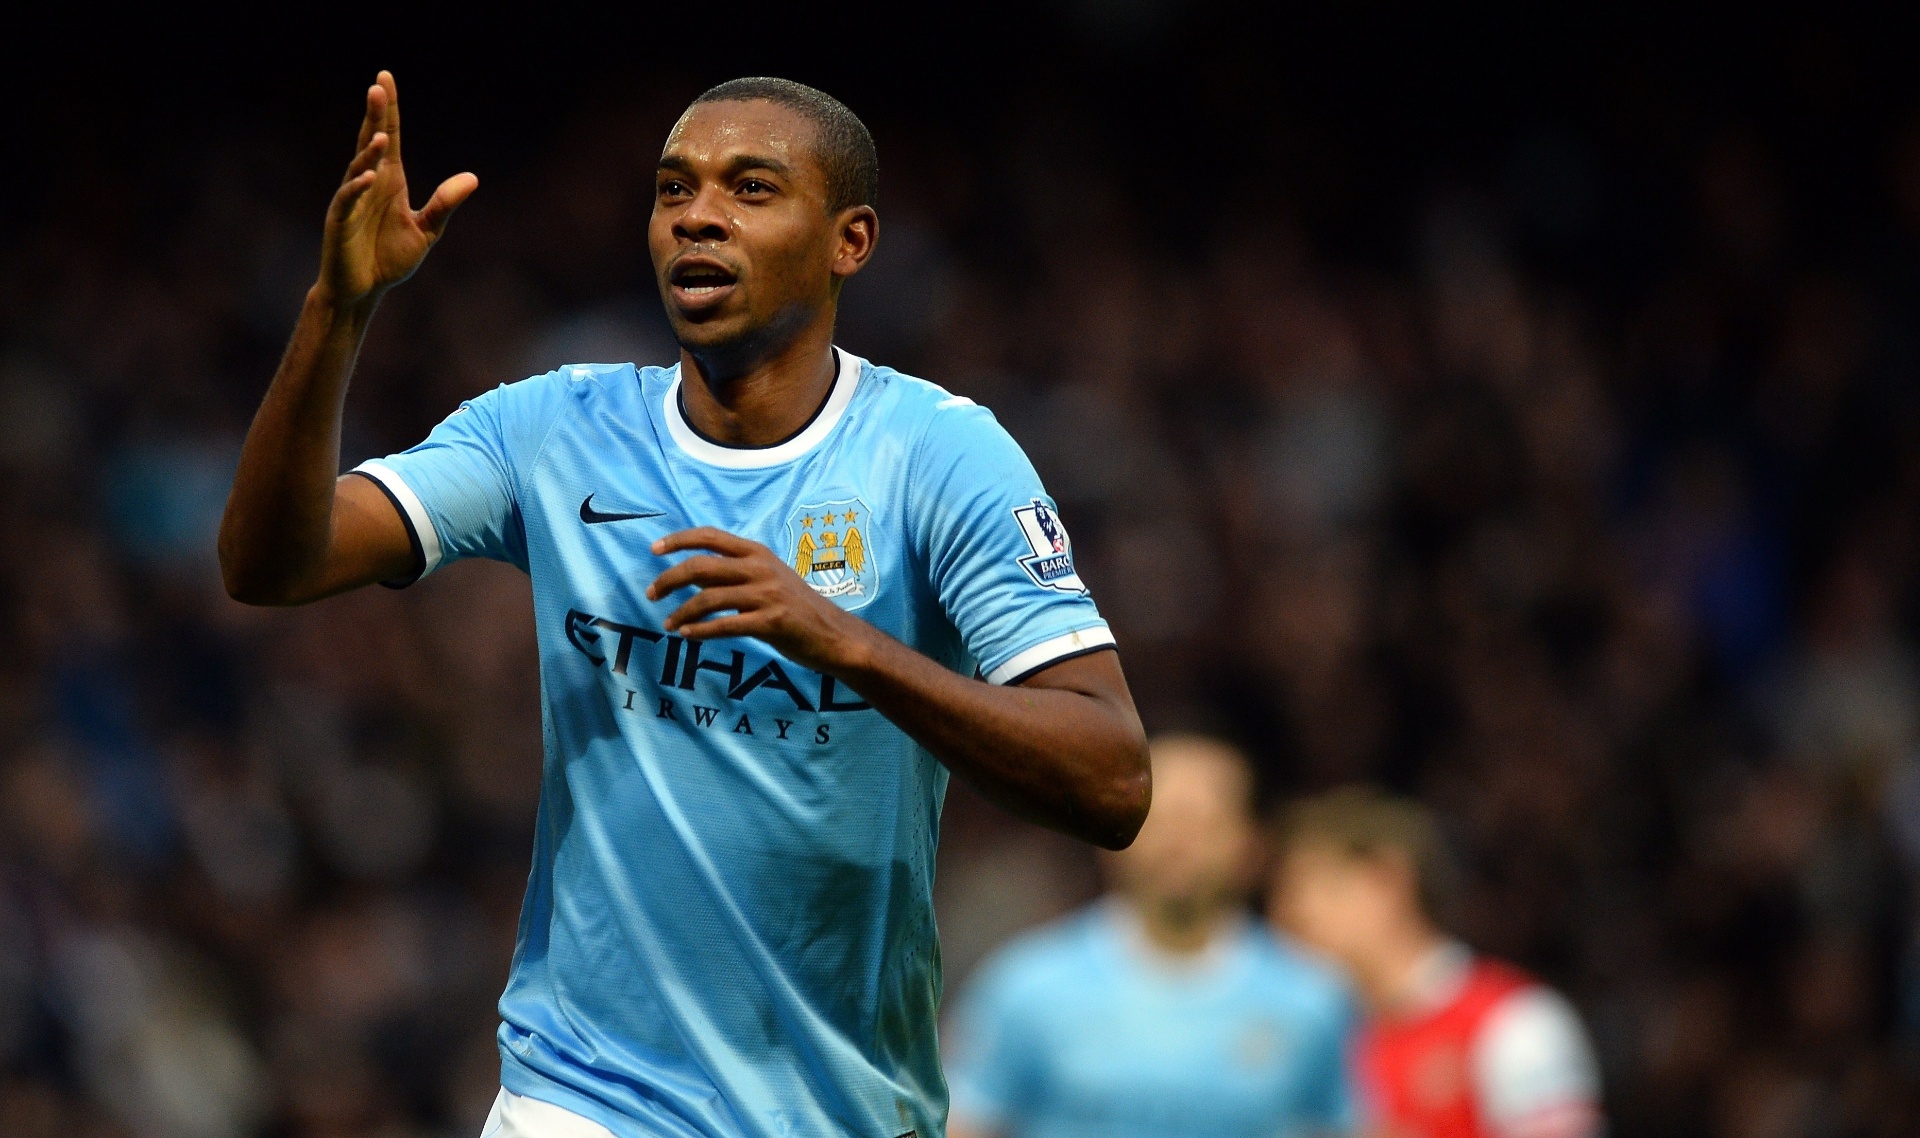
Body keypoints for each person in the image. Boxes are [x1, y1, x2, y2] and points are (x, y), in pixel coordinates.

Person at [218, 72, 1151, 1138]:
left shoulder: (940, 458)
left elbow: (1113, 778)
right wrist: (337, 309)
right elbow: (271, 565)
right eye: (674, 189)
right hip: (581, 1098)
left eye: (752, 188)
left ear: (850, 240)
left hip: (845, 1103)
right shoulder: (551, 428)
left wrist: (843, 641)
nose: (698, 214)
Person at [945, 735, 1356, 1138]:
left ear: (1250, 844)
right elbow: (963, 1123)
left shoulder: (1311, 999)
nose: (1178, 844)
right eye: (1156, 819)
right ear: (1112, 834)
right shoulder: (1026, 985)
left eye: (1202, 822)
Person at [1269, 788, 1602, 1138]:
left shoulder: (1512, 1021)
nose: (1288, 916)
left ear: (1385, 880)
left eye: (1306, 886)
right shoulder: (1314, 1037)